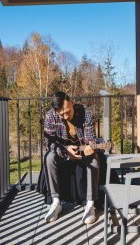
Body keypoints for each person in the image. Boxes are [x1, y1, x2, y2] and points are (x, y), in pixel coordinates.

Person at [43, 91, 101, 224]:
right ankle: (56, 202)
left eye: (67, 111)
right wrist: (64, 151)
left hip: (81, 151)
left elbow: (91, 139)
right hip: (62, 152)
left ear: (72, 102)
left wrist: (89, 147)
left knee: (94, 161)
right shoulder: (50, 116)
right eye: (61, 114)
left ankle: (90, 204)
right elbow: (49, 143)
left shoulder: (86, 113)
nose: (65, 116)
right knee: (49, 157)